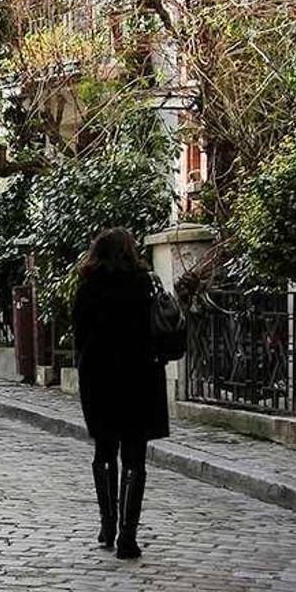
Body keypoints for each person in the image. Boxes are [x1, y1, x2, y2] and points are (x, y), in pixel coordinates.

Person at [71, 228, 170, 560]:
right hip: (140, 377)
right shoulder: (145, 286)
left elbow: (79, 338)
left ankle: (107, 525)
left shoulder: (88, 289)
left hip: (100, 380)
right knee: (134, 457)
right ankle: (128, 534)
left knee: (104, 452)